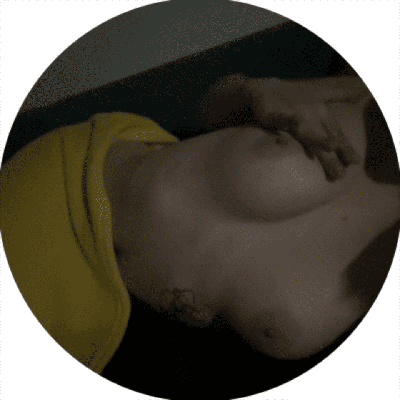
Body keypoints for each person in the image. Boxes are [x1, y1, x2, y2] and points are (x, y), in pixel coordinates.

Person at [1, 74, 399, 399]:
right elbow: (212, 107)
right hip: (61, 200)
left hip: (94, 329)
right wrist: (261, 89)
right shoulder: (366, 96)